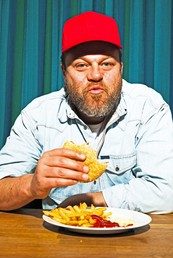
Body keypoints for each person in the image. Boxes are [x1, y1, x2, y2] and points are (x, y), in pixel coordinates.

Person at [0, 11, 173, 213]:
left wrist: (91, 201)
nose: (96, 75)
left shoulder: (148, 108)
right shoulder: (37, 116)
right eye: (81, 65)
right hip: (57, 240)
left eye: (106, 63)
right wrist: (32, 186)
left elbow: (167, 192)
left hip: (130, 240)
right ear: (64, 71)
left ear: (121, 68)